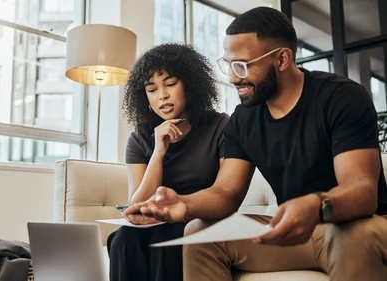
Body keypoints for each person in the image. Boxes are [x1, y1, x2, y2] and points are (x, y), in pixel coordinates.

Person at [124, 6, 387, 281]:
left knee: (354, 235)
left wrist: (314, 205)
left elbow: (361, 192)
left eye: (242, 65)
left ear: (283, 59)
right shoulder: (243, 119)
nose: (233, 78)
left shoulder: (342, 98)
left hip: (356, 225)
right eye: (227, 65)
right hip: (292, 233)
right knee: (199, 232)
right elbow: (226, 193)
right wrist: (183, 204)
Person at [107, 43, 229, 281]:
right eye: (152, 90)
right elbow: (139, 203)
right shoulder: (139, 138)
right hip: (156, 221)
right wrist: (158, 152)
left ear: (190, 85)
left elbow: (225, 193)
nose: (162, 95)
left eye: (170, 84)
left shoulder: (219, 126)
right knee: (122, 239)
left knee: (166, 239)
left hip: (200, 217)